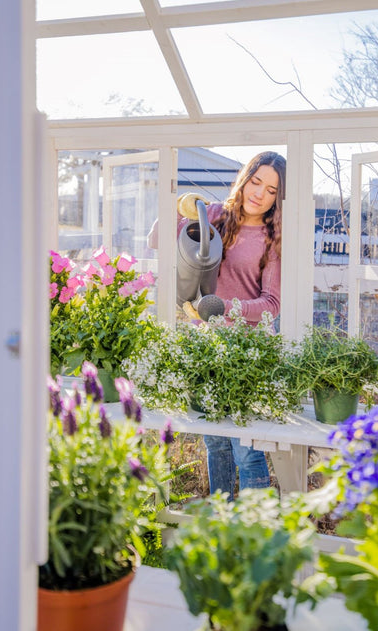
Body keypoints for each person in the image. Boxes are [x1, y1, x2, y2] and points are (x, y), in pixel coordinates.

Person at [148, 150, 286, 500]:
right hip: (205, 347)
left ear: (278, 198)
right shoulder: (213, 216)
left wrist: (224, 306)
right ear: (244, 178)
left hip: (246, 354)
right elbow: (157, 240)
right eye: (256, 182)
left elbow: (271, 304)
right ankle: (220, 525)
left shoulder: (272, 239)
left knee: (246, 449)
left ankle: (257, 531)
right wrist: (180, 208)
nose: (259, 194)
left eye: (271, 190)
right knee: (215, 442)